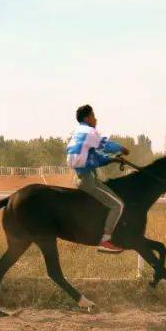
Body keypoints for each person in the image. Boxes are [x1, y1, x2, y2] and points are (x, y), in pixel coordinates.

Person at [66, 104, 130, 253]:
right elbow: (105, 145)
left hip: (79, 177)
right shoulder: (90, 131)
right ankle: (105, 240)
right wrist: (121, 148)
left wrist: (113, 160)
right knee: (118, 205)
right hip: (88, 179)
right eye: (94, 116)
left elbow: (95, 158)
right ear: (87, 118)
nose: (96, 119)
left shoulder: (78, 133)